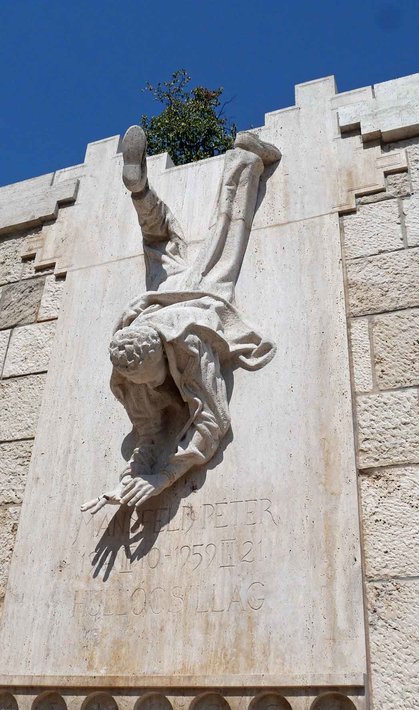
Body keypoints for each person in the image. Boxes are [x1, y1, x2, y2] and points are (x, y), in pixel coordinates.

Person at [81, 125, 280, 514]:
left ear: (160, 352)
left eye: (153, 376)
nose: (153, 386)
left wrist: (165, 477)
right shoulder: (128, 375)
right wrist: (132, 478)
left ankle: (245, 160)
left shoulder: (188, 347)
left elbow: (212, 421)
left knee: (224, 237)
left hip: (193, 302)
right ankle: (139, 191)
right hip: (155, 305)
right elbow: (149, 431)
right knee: (160, 244)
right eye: (143, 382)